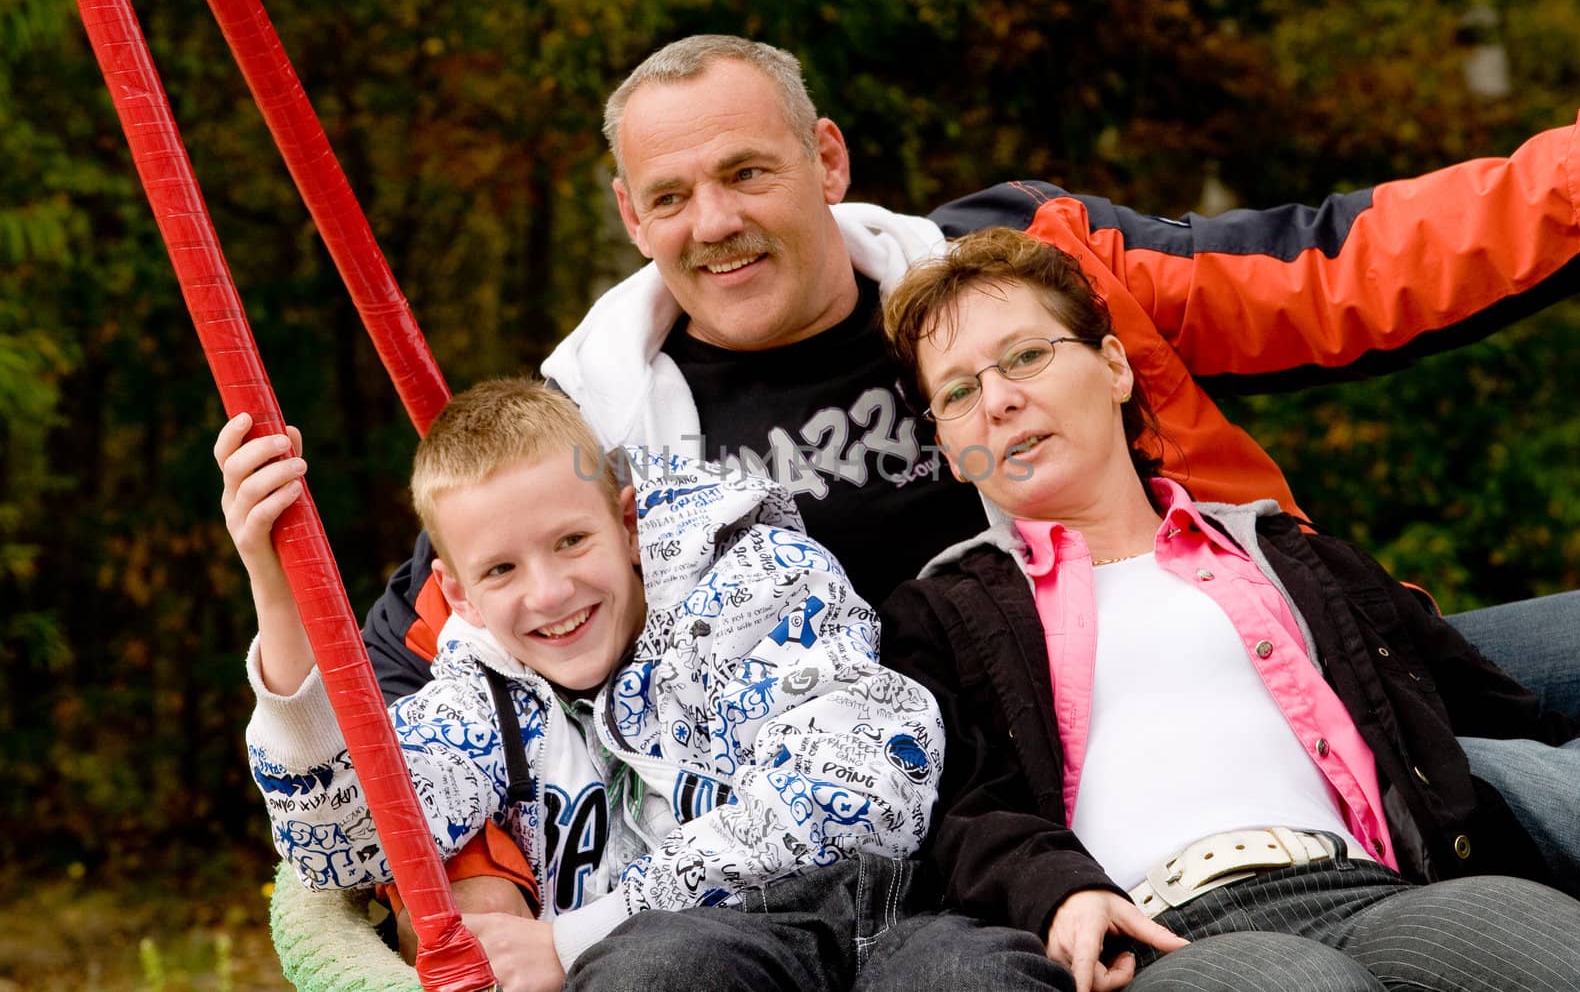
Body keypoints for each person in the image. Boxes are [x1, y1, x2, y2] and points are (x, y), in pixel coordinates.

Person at [353, 36, 1580, 918]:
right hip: (939, 800)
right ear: (632, 217)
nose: (713, 220)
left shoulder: (1014, 276)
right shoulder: (584, 437)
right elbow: (425, 682)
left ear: (827, 159)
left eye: (746, 172)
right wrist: (488, 894)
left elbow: (1338, 267)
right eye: (671, 195)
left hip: (1228, 669)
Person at [876, 226, 1580, 991]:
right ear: (953, 453)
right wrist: (1052, 887)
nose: (998, 399)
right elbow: (953, 808)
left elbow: (1496, 712)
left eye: (1025, 355)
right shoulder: (938, 616)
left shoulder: (1290, 555)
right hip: (1168, 934)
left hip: (1374, 884)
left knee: (1543, 942)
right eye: (957, 392)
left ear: (1115, 366)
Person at [223, 379, 1037, 989]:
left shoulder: (755, 584)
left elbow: (855, 790)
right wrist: (279, 596)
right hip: (672, 965)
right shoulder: (482, 691)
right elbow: (350, 840)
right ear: (459, 593)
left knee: (975, 976)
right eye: (501, 568)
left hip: (875, 916)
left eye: (571, 541)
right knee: (651, 975)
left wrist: (568, 940)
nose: (549, 593)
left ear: (626, 522)